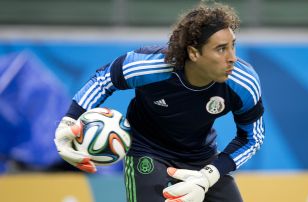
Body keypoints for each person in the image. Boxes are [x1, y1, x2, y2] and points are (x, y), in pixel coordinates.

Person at [54, 2, 265, 202]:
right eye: (221, 49)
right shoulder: (151, 65)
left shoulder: (243, 82)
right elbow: (104, 80)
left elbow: (252, 138)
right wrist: (69, 120)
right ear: (193, 52)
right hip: (147, 149)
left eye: (233, 46)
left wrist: (209, 175)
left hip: (202, 156)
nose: (232, 58)